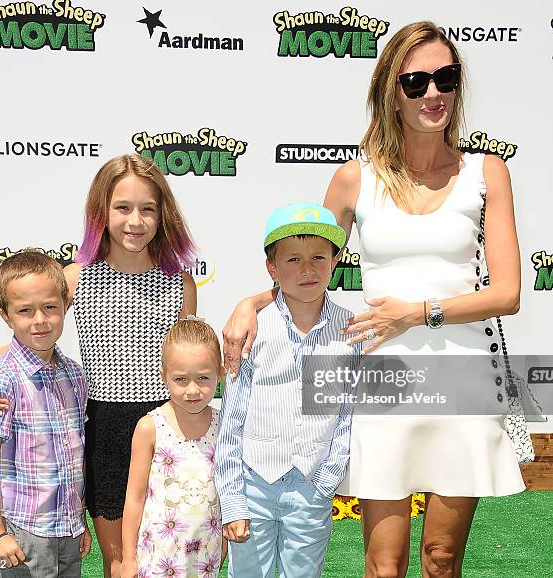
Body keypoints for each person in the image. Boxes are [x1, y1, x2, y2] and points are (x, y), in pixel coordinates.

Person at [222, 22, 525, 578]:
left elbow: (506, 294)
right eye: (416, 82)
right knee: (384, 565)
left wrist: (418, 312)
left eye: (446, 78)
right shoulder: (354, 180)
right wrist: (252, 301)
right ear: (392, 90)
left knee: (441, 558)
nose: (433, 93)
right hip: (384, 378)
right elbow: (304, 263)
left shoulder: (487, 173)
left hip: (464, 377)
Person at [0, 154, 197, 578]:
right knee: (120, 562)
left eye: (148, 208)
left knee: (167, 554)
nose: (136, 220)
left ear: (163, 214)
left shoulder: (180, 281)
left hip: (166, 430)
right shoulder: (77, 276)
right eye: (123, 208)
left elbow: (190, 353)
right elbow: (22, 341)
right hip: (104, 430)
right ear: (101, 211)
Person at [215, 202, 361, 578]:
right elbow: (232, 418)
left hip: (312, 487)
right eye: (293, 259)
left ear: (335, 261)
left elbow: (348, 414)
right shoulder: (251, 329)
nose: (307, 269)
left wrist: (328, 476)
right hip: (253, 485)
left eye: (318, 257)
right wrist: (232, 499)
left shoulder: (352, 332)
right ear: (272, 268)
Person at [0, 250, 91, 577]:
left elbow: (74, 454)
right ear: (6, 316)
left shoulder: (75, 376)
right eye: (25, 311)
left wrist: (79, 521)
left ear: (66, 305)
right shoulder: (1, 380)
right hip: (25, 531)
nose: (40, 320)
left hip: (68, 529)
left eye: (50, 307)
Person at [120, 319, 226, 578]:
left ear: (220, 373)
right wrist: (128, 558)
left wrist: (223, 545)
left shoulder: (225, 425)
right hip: (157, 556)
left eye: (203, 378)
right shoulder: (150, 427)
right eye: (181, 379)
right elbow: (135, 498)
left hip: (205, 555)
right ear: (164, 375)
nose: (193, 390)